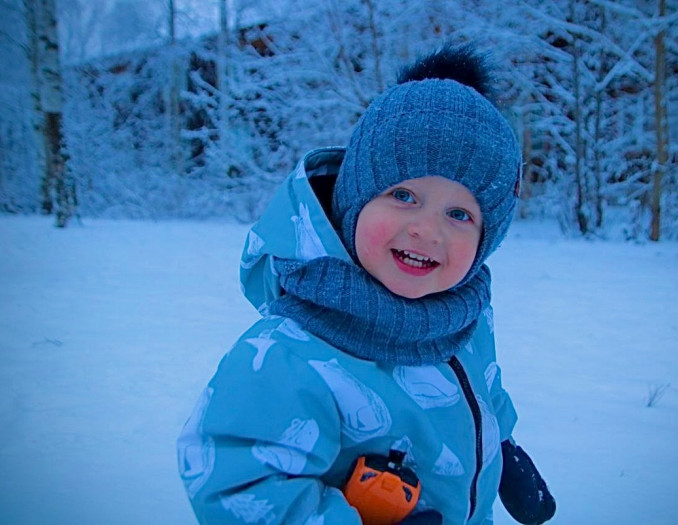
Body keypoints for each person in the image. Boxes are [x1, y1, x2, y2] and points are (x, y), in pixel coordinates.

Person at [177, 44, 555, 525]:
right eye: (404, 195)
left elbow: (483, 383)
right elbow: (239, 484)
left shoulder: (465, 315)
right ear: (353, 199)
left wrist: (503, 441)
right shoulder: (286, 355)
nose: (428, 229)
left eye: (459, 214)